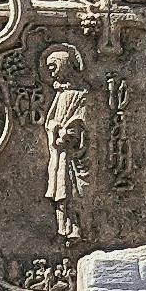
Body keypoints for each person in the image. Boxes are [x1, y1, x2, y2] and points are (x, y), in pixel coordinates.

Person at [41, 44, 93, 246]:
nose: (52, 73)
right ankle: (62, 228)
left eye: (54, 67)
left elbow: (82, 120)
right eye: (49, 69)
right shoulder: (60, 94)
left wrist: (68, 132)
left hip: (72, 152)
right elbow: (50, 121)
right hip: (59, 153)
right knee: (60, 191)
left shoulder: (81, 94)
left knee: (73, 191)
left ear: (64, 65)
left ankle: (77, 229)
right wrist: (54, 127)